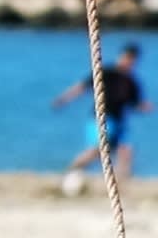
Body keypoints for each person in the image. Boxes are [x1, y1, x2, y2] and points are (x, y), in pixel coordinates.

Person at [58, 42, 145, 188]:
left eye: (133, 59)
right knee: (96, 150)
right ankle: (70, 171)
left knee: (126, 151)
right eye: (129, 58)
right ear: (123, 56)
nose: (130, 62)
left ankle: (120, 185)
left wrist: (145, 107)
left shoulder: (131, 81)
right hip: (101, 119)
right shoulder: (107, 73)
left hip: (119, 122)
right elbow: (82, 87)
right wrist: (64, 98)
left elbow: (135, 103)